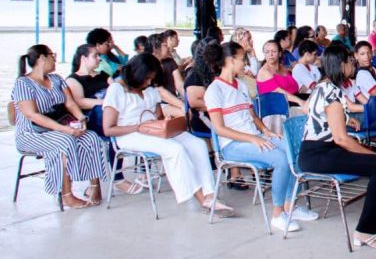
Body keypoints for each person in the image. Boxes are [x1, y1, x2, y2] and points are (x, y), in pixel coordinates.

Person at [204, 41, 318, 232]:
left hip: (254, 137)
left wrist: (265, 131)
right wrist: (253, 138)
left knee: (296, 151)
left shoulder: (240, 85)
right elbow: (220, 129)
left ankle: (290, 206)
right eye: (242, 59)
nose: (245, 63)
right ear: (230, 60)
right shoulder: (214, 90)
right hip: (232, 145)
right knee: (281, 160)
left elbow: (253, 116)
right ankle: (277, 214)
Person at [102, 54, 234, 216]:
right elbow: (109, 129)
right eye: (146, 78)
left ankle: (210, 194)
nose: (148, 82)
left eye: (151, 79)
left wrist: (166, 122)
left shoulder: (150, 89)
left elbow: (158, 116)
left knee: (198, 144)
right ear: (136, 74)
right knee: (175, 149)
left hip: (153, 130)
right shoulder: (116, 90)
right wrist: (139, 127)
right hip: (128, 135)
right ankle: (202, 199)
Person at [299, 44, 376, 249]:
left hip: (324, 149)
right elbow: (342, 140)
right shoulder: (331, 92)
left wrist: (342, 118)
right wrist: (370, 153)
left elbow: (309, 109)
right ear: (341, 65)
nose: (353, 65)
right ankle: (365, 231)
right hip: (317, 154)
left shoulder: (325, 86)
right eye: (350, 61)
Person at [12, 45, 109, 208]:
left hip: (59, 128)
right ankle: (66, 195)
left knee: (90, 137)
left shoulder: (56, 79)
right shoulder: (23, 83)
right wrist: (66, 130)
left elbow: (70, 103)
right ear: (42, 58)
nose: (55, 59)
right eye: (52, 56)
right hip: (32, 133)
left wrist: (81, 119)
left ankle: (94, 187)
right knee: (65, 141)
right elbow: (32, 115)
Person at [66, 44, 142, 196]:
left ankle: (123, 175)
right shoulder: (73, 80)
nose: (99, 58)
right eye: (95, 56)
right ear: (83, 58)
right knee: (111, 122)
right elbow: (79, 102)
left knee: (122, 121)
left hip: (110, 112)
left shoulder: (102, 75)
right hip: (92, 117)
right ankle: (117, 179)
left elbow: (117, 91)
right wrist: (106, 103)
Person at [256, 40, 307, 111]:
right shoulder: (264, 72)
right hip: (278, 106)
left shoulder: (283, 68)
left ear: (280, 53)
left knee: (315, 98)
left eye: (274, 51)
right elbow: (279, 93)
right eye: (267, 52)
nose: (270, 54)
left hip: (292, 100)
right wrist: (300, 101)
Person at [147, 33, 185, 118]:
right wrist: (182, 105)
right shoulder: (148, 65)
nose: (168, 47)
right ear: (155, 48)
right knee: (185, 113)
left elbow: (179, 84)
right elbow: (160, 92)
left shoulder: (169, 61)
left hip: (173, 100)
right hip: (159, 103)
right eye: (165, 45)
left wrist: (188, 100)